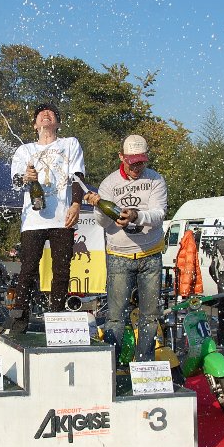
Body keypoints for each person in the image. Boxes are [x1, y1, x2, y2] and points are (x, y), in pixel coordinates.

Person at [84, 134, 167, 364]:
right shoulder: (109, 183)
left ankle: (145, 364)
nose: (137, 168)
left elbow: (159, 214)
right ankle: (111, 366)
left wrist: (135, 216)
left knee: (150, 316)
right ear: (122, 157)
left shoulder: (156, 179)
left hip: (151, 255)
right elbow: (102, 223)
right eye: (132, 163)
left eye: (141, 162)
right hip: (119, 256)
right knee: (115, 317)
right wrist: (99, 207)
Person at [10, 103, 86, 331]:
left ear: (58, 123)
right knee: (28, 269)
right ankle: (19, 320)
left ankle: (56, 318)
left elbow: (78, 175)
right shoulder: (24, 150)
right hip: (32, 220)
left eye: (51, 113)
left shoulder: (69, 144)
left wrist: (76, 204)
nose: (45, 114)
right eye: (40, 113)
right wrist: (26, 177)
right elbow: (15, 182)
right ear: (35, 125)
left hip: (63, 218)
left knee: (61, 270)